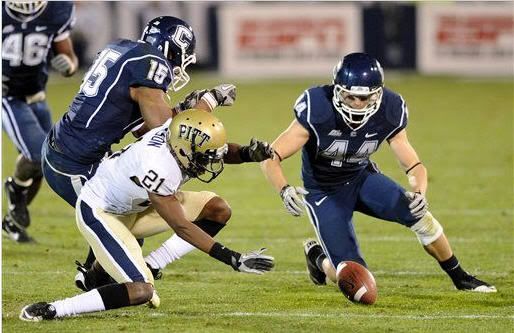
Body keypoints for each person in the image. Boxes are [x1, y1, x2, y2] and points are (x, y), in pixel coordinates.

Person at [260, 52, 496, 293]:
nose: (357, 104)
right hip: (325, 192)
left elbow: (413, 164)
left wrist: (419, 191)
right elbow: (270, 156)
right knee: (355, 281)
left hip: (362, 178)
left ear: (378, 93)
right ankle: (319, 259)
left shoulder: (390, 109)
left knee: (422, 218)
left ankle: (461, 277)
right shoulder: (318, 108)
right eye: (350, 96)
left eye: (364, 97)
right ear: (337, 90)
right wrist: (284, 188)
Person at [20, 109, 275, 321]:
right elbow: (181, 226)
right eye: (202, 157)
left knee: (217, 209)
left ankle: (148, 264)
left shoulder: (177, 137)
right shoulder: (159, 166)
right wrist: (232, 258)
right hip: (102, 213)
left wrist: (246, 154)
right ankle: (54, 309)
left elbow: (216, 150)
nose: (209, 162)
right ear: (185, 150)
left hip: (135, 206)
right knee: (142, 291)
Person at [41, 15, 236, 269]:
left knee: (125, 214)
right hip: (72, 163)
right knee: (120, 223)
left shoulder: (124, 49)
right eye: (182, 57)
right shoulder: (151, 62)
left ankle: (96, 275)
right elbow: (168, 133)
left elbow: (143, 129)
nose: (180, 66)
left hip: (69, 150)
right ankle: (95, 281)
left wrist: (181, 109)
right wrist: (208, 102)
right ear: (171, 48)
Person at [2, 0, 79, 242]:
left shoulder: (56, 9)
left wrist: (68, 66)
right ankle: (16, 194)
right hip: (7, 96)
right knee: (37, 155)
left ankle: (12, 216)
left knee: (48, 161)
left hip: (37, 96)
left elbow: (69, 57)